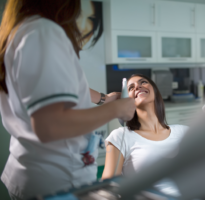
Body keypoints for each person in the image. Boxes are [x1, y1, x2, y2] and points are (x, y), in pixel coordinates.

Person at [0, 0, 135, 199]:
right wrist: (117, 110)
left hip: (34, 171)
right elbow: (50, 126)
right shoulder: (44, 32)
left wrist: (105, 99)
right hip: (55, 182)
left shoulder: (24, 31)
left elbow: (55, 86)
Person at [102, 74, 189, 180]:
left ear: (155, 91)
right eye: (131, 88)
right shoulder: (120, 136)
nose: (138, 86)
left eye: (143, 82)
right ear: (126, 100)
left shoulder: (183, 131)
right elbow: (108, 188)